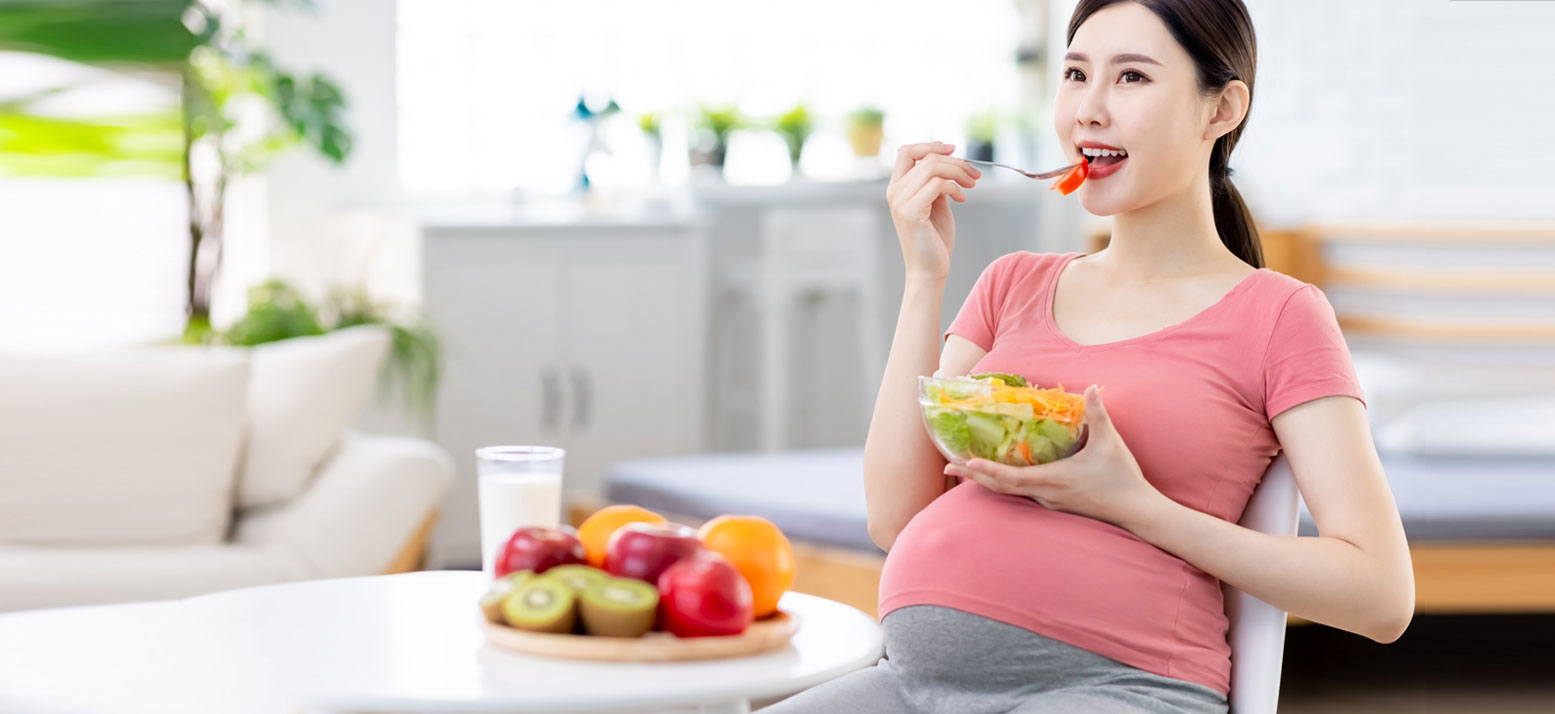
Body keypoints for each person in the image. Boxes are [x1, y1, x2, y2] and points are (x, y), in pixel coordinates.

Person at [759, 1, 1414, 712]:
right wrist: (923, 278)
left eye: (1131, 77)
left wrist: (1133, 506)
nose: (1087, 111)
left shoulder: (1279, 315)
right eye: (1075, 74)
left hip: (1116, 688)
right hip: (909, 684)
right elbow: (896, 517)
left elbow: (1379, 596)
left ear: (1220, 109)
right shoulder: (1011, 282)